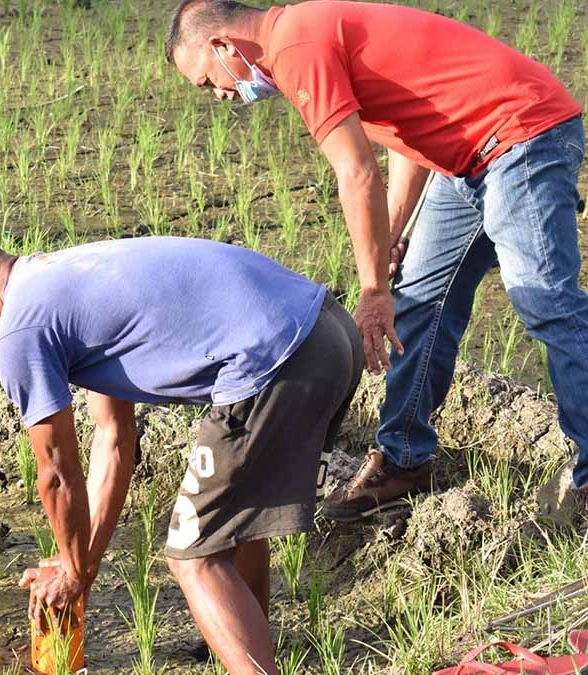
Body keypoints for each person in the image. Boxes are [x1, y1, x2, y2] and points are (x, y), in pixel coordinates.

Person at [165, 0, 587, 521]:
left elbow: (355, 172)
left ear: (223, 46)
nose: (222, 96)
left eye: (208, 83)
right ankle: (404, 460)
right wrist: (390, 236)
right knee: (418, 302)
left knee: (545, 302)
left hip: (519, 134)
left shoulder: (295, 44)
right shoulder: (301, 38)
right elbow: (404, 134)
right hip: (464, 156)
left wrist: (371, 292)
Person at [0, 230, 362, 675]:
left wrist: (71, 569)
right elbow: (115, 439)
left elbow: (58, 475)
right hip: (329, 331)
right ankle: (241, 650)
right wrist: (80, 565)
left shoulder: (20, 331)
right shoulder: (65, 277)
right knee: (233, 524)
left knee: (192, 556)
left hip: (275, 359)